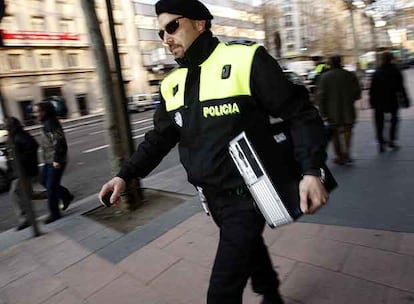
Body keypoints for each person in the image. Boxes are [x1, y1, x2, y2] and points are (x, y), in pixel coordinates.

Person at [99, 0, 329, 303]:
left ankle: (269, 294)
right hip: (213, 199)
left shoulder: (246, 60)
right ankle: (271, 293)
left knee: (221, 292)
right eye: (160, 33)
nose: (166, 38)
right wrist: (124, 176)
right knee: (249, 247)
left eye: (172, 27)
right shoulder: (171, 84)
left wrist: (311, 171)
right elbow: (159, 138)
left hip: (248, 195)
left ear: (199, 23)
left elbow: (300, 113)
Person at [33, 101, 74, 224]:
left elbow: (60, 142)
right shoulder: (46, 122)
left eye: (37, 111)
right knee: (43, 181)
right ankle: (66, 196)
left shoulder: (51, 123)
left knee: (51, 186)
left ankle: (54, 213)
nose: (35, 114)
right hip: (49, 159)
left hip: (56, 160)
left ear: (44, 112)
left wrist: (57, 159)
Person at [318, 54, 361, 165]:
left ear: (330, 63)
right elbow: (357, 93)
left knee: (335, 134)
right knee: (348, 132)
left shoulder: (325, 77)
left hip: (332, 112)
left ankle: (340, 155)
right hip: (348, 110)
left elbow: (321, 97)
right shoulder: (350, 75)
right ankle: (347, 153)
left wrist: (323, 113)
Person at [6, 117, 43, 230]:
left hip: (24, 171)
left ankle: (25, 219)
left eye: (7, 125)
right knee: (29, 194)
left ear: (12, 126)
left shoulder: (21, 135)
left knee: (15, 192)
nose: (5, 127)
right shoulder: (14, 136)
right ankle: (55, 194)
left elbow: (33, 147)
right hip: (20, 170)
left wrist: (20, 159)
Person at [369, 51, 410, 152]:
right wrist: (405, 99)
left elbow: (372, 89)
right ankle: (391, 140)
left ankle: (381, 143)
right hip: (392, 99)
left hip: (379, 100)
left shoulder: (377, 71)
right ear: (391, 58)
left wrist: (372, 101)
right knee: (394, 120)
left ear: (382, 59)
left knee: (379, 123)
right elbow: (401, 87)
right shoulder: (396, 70)